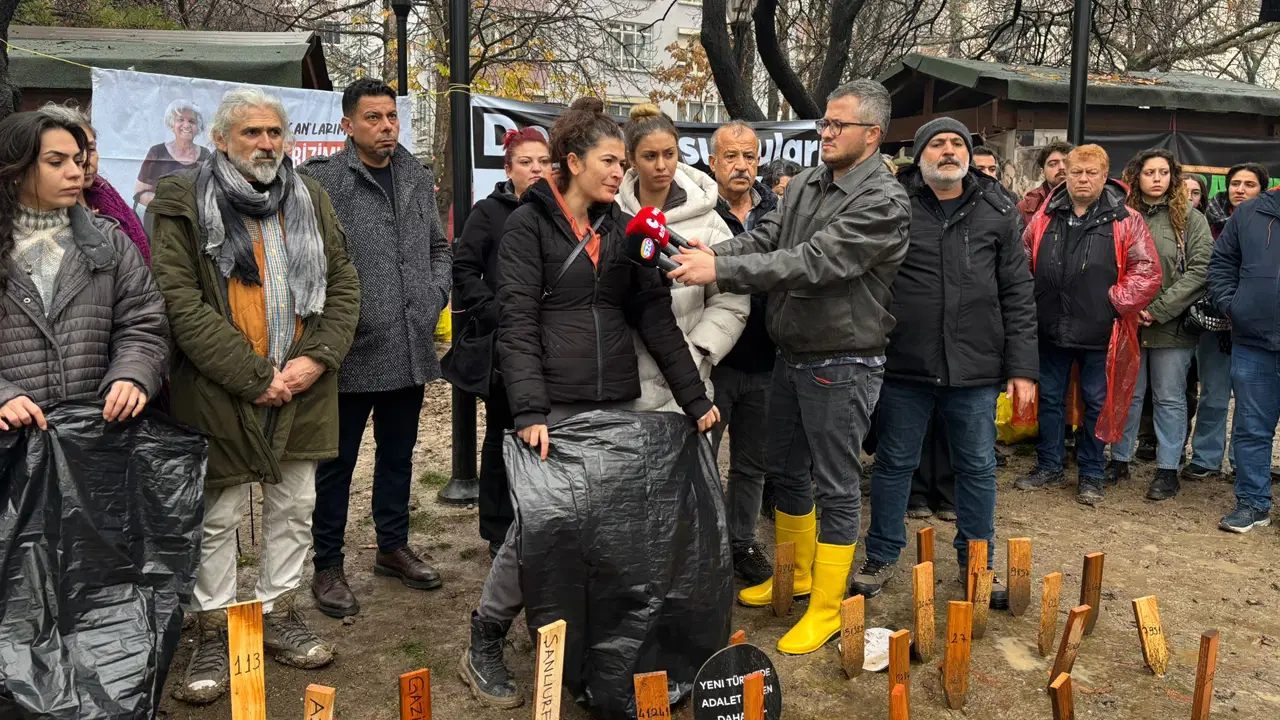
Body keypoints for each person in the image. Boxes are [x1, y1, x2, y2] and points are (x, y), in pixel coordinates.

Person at [459, 97, 718, 708]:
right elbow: (517, 322)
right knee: (541, 528)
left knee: (606, 533)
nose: (617, 172)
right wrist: (529, 412)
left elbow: (654, 318)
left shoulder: (623, 227)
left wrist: (696, 399)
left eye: (619, 162)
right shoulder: (526, 227)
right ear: (572, 163)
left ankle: (586, 654)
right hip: (555, 405)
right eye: (608, 161)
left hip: (617, 403)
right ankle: (486, 634)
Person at [670, 79, 910, 656]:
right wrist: (701, 253)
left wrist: (720, 273)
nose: (823, 132)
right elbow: (768, 235)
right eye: (823, 123)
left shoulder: (883, 199)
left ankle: (828, 606)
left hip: (844, 358)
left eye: (836, 125)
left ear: (872, 135)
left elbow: (816, 262)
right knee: (787, 470)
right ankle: (799, 576)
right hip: (793, 352)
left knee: (836, 483)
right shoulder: (808, 182)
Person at [148, 87, 360, 703]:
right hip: (219, 387)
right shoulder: (182, 201)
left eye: (274, 132)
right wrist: (252, 374)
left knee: (294, 504)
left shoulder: (309, 196)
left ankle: (276, 612)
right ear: (219, 140)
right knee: (217, 517)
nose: (266, 144)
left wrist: (313, 361)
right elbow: (179, 300)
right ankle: (214, 626)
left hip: (304, 385)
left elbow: (343, 282)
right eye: (251, 134)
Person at [849, 119, 1036, 607]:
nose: (950, 151)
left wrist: (1022, 369)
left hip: (974, 369)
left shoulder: (997, 210)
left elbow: (1017, 293)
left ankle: (977, 563)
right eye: (939, 143)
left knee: (976, 467)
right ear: (919, 154)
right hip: (905, 362)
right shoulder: (894, 206)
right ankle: (883, 555)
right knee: (894, 465)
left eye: (958, 143)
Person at [299, 79, 451, 618]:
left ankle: (392, 546)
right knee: (336, 465)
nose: (386, 126)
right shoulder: (320, 183)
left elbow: (438, 247)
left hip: (408, 347)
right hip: (347, 352)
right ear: (347, 125)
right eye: (373, 118)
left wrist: (435, 294)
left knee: (397, 457)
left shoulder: (414, 173)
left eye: (391, 116)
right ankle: (328, 565)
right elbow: (304, 263)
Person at [616, 105, 752, 572]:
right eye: (649, 155)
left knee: (684, 489)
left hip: (688, 378)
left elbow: (732, 300)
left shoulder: (709, 220)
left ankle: (683, 581)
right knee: (630, 491)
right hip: (623, 377)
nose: (661, 165)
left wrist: (698, 353)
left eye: (669, 154)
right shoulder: (611, 212)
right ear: (631, 158)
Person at [0, 110, 167, 431]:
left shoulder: (110, 241)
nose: (75, 173)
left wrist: (131, 375)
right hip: (10, 447)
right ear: (17, 169)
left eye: (78, 160)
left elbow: (144, 324)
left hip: (92, 441)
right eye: (56, 162)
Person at [1013, 145, 1161, 505]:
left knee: (1098, 402)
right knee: (1049, 399)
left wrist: (1113, 303)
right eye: (1076, 171)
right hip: (1049, 327)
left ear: (1104, 175)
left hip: (1101, 333)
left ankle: (1092, 474)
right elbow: (1022, 262)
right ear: (1065, 173)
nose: (1082, 179)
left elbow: (1147, 271)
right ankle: (1049, 464)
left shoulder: (1126, 219)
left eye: (1090, 173)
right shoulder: (1045, 216)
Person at [451, 126, 549, 558]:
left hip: (555, 344)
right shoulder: (489, 212)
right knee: (501, 436)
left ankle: (540, 520)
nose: (536, 170)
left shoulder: (563, 210)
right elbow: (464, 270)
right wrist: (496, 311)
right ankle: (497, 529)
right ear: (508, 168)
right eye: (526, 162)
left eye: (544, 162)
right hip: (505, 347)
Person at [1105, 150, 1211, 500]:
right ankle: (1119, 460)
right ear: (1136, 176)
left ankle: (1167, 470)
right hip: (1127, 321)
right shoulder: (1121, 215)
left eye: (1164, 172)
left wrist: (1159, 309)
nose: (1157, 178)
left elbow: (1199, 270)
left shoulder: (1189, 219)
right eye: (1149, 172)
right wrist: (1128, 306)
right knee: (1129, 394)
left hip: (1171, 325)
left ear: (1173, 177)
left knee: (1169, 397)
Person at [708, 121, 782, 531]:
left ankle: (741, 542)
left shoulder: (778, 213)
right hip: (714, 362)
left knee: (751, 465)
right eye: (731, 156)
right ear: (712, 161)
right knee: (700, 462)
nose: (741, 165)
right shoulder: (696, 211)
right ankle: (703, 548)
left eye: (749, 156)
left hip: (767, 361)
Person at [1184, 163, 1269, 482]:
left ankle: (1242, 462)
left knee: (1251, 401)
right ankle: (1206, 457)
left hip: (1256, 325)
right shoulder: (1206, 221)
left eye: (1250, 184)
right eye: (1235, 183)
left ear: (1262, 189)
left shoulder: (1269, 224)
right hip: (1215, 320)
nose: (1241, 189)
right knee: (1213, 393)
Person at [1207, 166, 1280, 532]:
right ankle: (1252, 503)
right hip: (1254, 342)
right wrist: (1232, 305)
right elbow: (1221, 263)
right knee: (1252, 427)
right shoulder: (1250, 213)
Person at [38, 103, 151, 264]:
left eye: (90, 149)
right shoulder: (36, 218)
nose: (84, 161)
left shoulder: (107, 196)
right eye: (58, 160)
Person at [134, 99, 211, 208]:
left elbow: (209, 193)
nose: (186, 125)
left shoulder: (205, 154)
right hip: (161, 218)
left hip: (193, 219)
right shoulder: (157, 152)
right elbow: (139, 193)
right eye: (180, 120)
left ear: (197, 128)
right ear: (172, 125)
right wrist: (171, 206)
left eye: (192, 121)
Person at [1017, 140, 1074, 224]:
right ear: (1042, 172)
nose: (1062, 167)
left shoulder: (1088, 200)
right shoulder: (1026, 207)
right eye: (1053, 164)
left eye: (1067, 162)